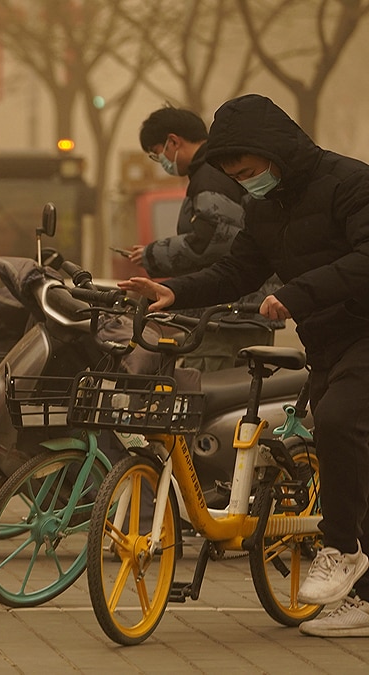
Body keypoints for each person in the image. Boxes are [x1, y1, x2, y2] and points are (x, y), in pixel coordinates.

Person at [118, 93, 369, 638]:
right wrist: (172, 289)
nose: (246, 183)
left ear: (277, 153)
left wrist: (299, 294)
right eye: (237, 176)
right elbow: (237, 271)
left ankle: (343, 550)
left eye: (250, 173)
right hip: (328, 341)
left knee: (337, 423)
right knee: (347, 454)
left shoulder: (351, 183)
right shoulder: (265, 207)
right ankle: (366, 599)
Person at [123, 105, 278, 370]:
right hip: (238, 312)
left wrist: (151, 254)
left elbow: (211, 239)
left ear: (173, 142)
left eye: (157, 154)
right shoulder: (212, 171)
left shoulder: (210, 175)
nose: (160, 162)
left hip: (229, 317)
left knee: (211, 394)